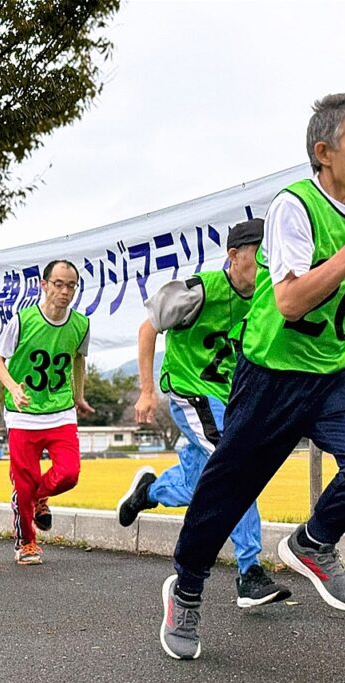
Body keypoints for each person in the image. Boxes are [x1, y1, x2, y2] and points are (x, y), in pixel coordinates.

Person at [159, 94, 345, 660]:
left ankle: (314, 542)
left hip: (332, 374)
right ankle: (187, 590)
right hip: (271, 375)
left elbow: (334, 284)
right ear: (324, 152)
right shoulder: (294, 205)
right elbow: (291, 299)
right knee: (229, 491)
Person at [118, 219, 290, 608]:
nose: (266, 265)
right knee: (237, 465)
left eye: (272, 256)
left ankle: (150, 491)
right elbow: (149, 329)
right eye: (259, 256)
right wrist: (146, 391)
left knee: (199, 484)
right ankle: (250, 572)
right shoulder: (198, 291)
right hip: (191, 391)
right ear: (234, 255)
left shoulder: (269, 295)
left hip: (230, 399)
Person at [0, 259, 94, 565]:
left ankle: (39, 498)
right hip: (23, 414)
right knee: (22, 485)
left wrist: (79, 396)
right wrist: (13, 388)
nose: (64, 291)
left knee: (69, 474)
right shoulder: (22, 321)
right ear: (44, 285)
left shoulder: (81, 324)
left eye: (71, 285)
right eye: (59, 284)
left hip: (60, 411)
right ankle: (27, 542)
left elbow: (78, 360)